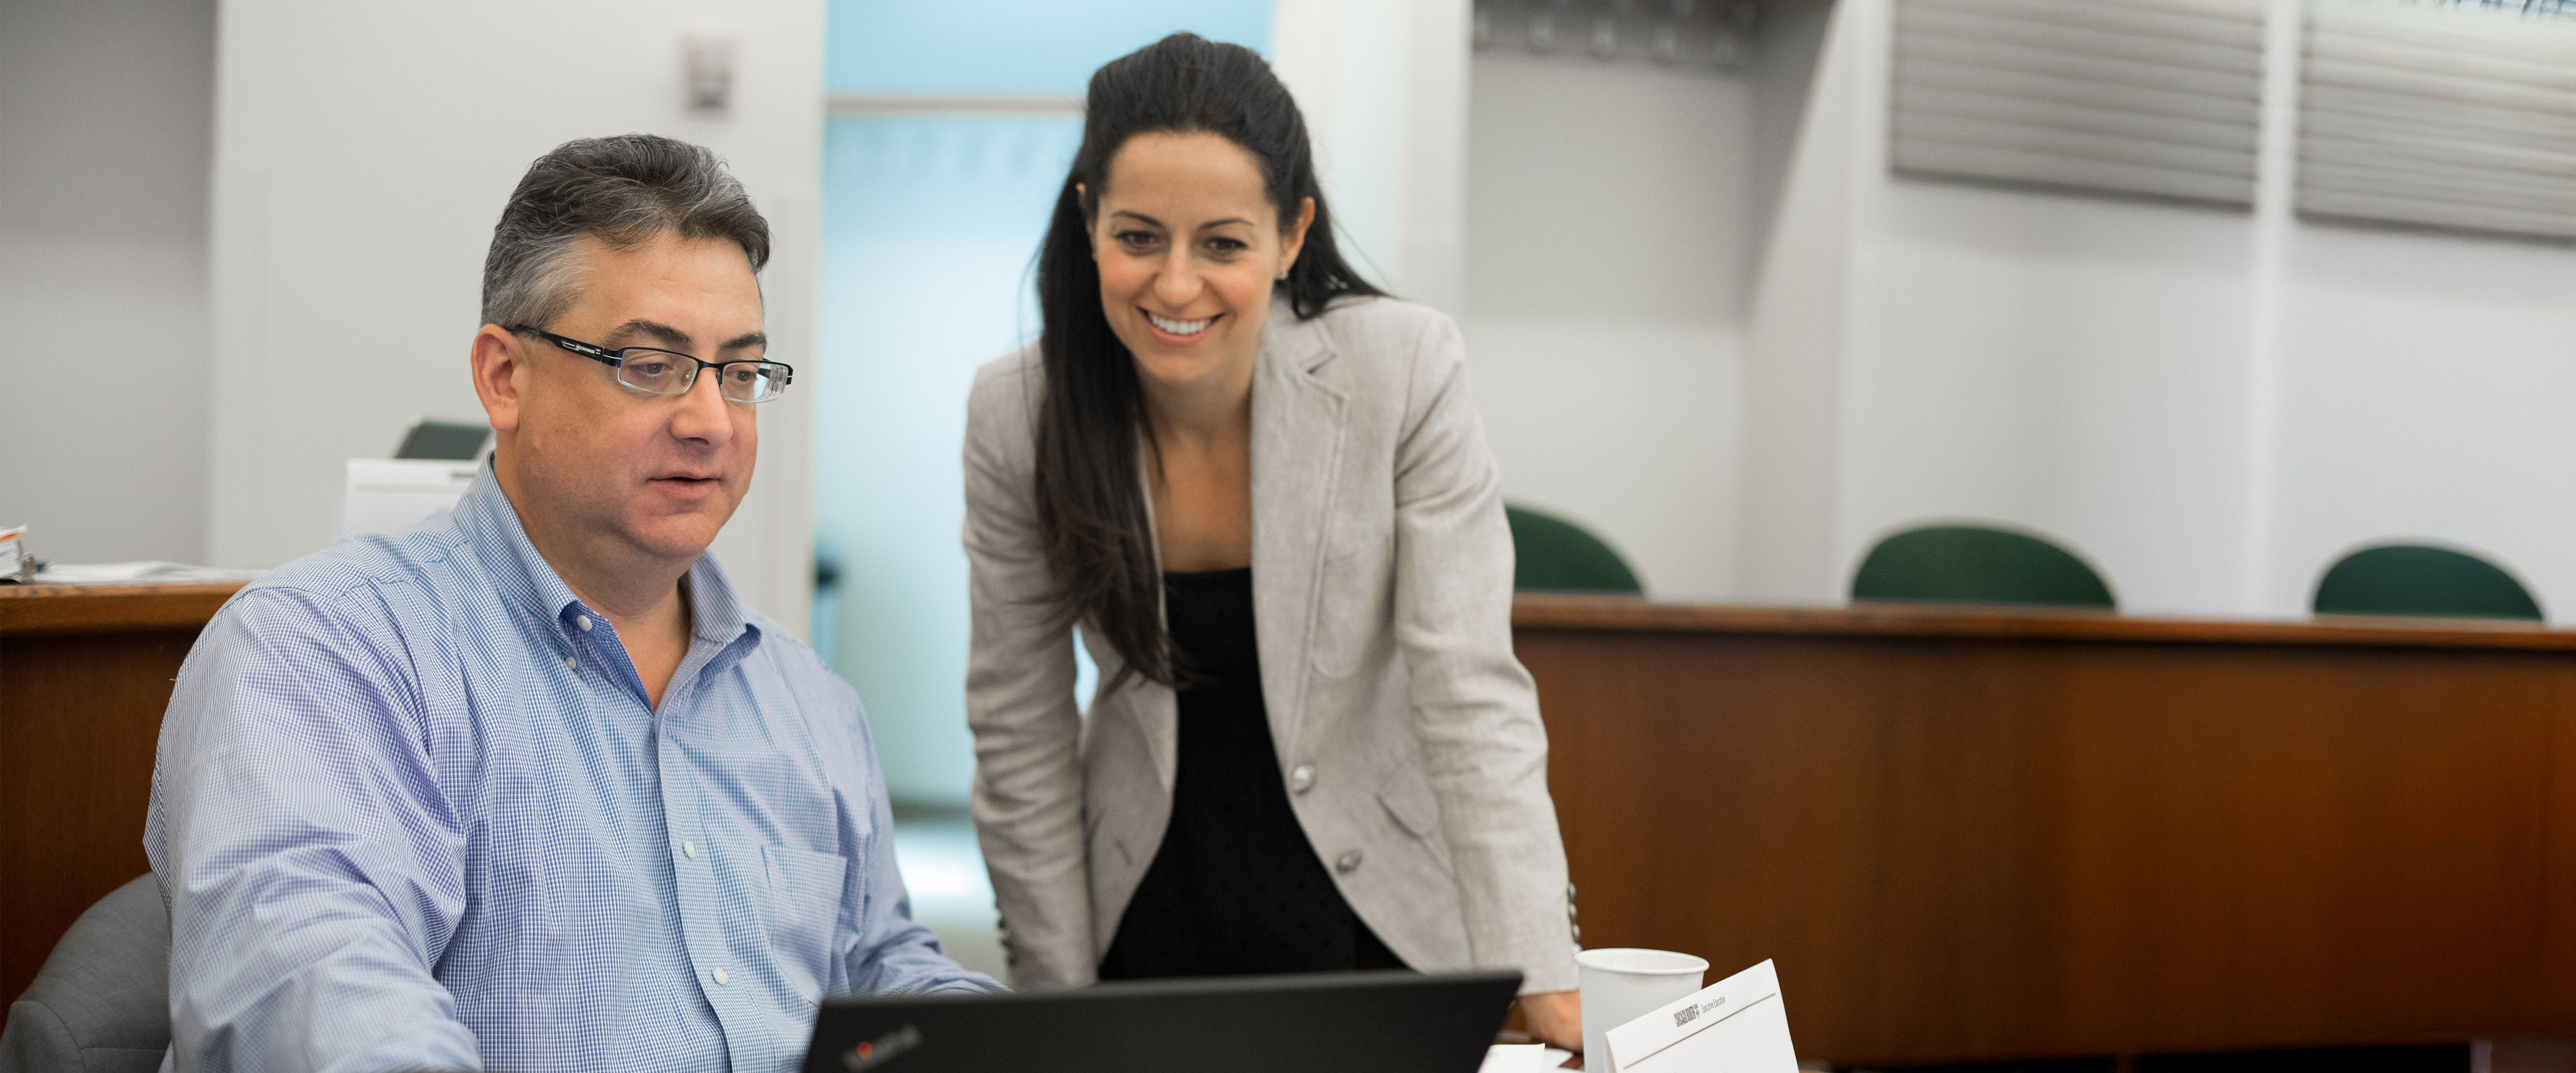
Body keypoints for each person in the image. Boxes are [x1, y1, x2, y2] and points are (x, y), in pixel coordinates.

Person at [147, 134, 996, 1073]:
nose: (712, 422)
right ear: (504, 378)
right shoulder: (320, 651)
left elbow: (881, 967)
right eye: (650, 364)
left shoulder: (809, 700)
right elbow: (318, 1002)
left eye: (741, 374)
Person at [961, 34, 1583, 1048]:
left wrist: (1547, 972)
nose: (1174, 286)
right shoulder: (1015, 413)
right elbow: (1017, 722)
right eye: (1137, 236)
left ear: (1291, 235)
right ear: (1086, 221)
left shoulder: (1404, 369)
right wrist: (1054, 1001)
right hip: (1149, 887)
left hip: (1374, 893)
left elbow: (1470, 690)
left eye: (1221, 243)